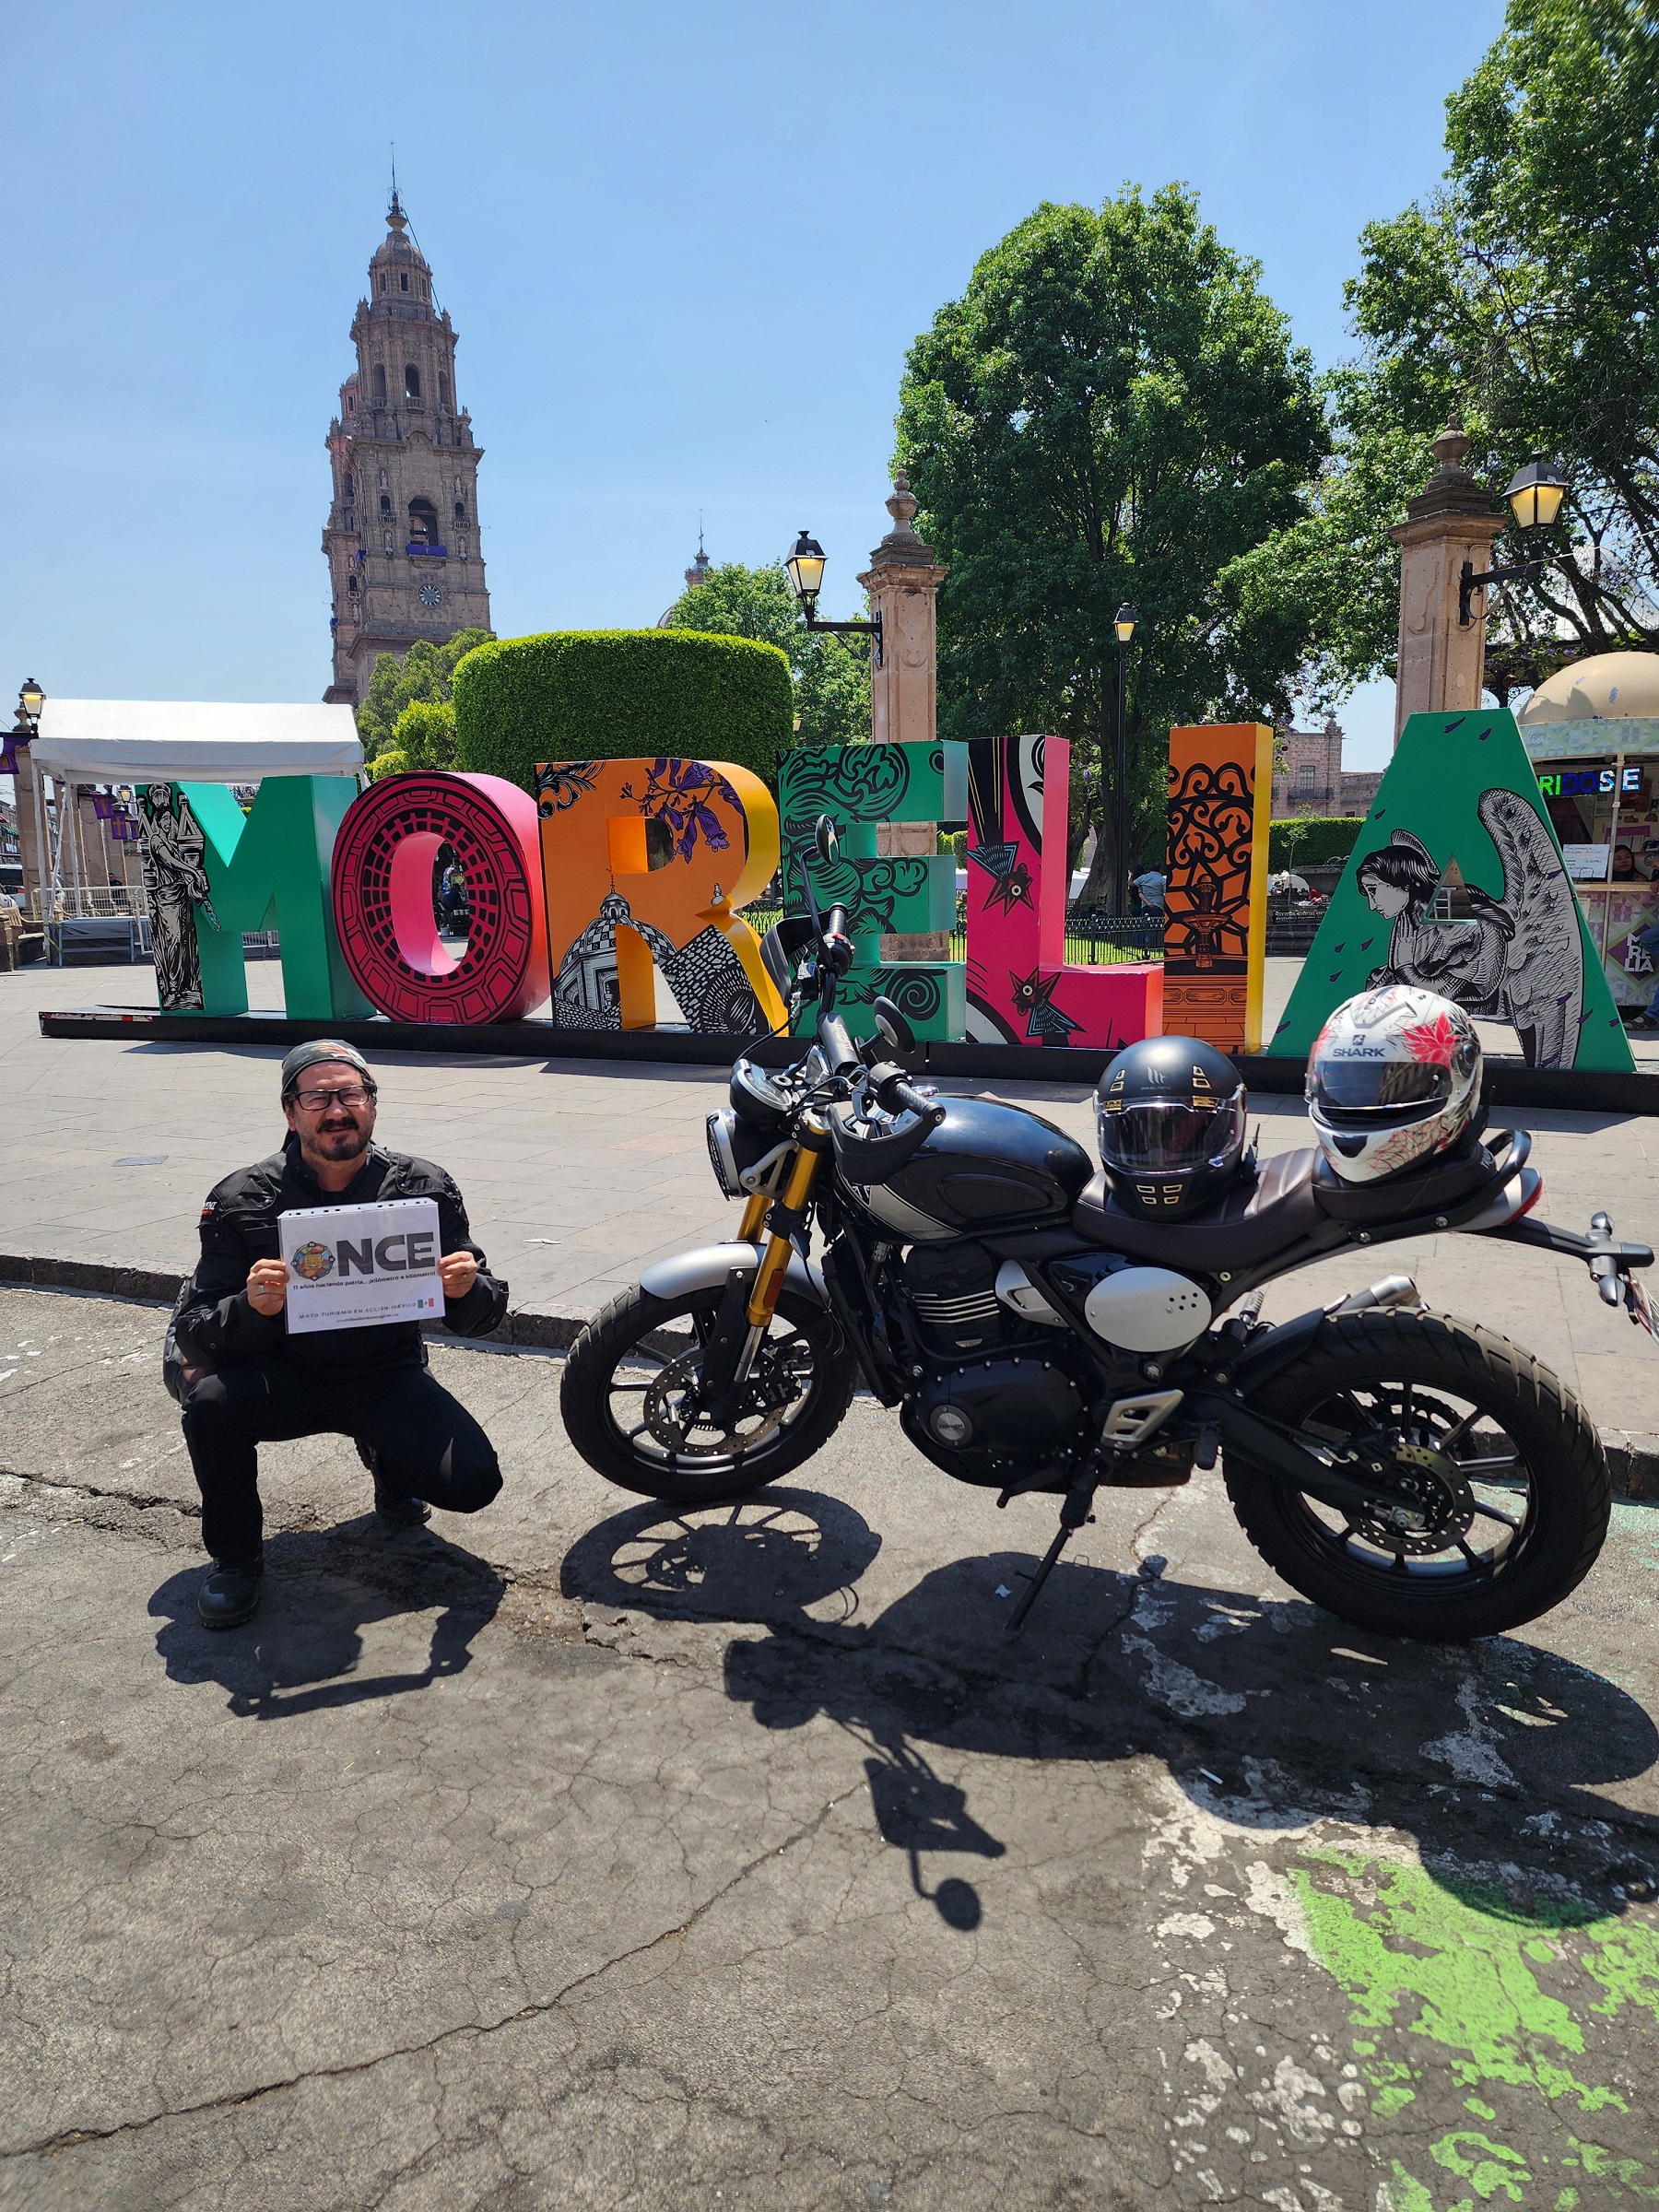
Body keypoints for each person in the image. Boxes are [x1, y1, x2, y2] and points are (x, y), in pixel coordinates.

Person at [174, 1041, 508, 1628]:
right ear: (290, 1112)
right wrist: (252, 1309)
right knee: (210, 1404)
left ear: (372, 1105)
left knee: (475, 1482)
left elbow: (483, 1314)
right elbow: (194, 1333)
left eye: (350, 1094)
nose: (335, 1110)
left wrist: (465, 1289)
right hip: (280, 1375)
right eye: (317, 1097)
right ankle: (235, 1559)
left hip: (385, 1372)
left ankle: (389, 1462)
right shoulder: (241, 1199)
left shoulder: (423, 1187)